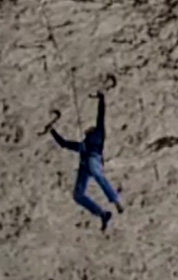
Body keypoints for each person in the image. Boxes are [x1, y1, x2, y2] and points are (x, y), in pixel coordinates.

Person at [50, 91, 124, 231]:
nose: (86, 130)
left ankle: (116, 200)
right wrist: (52, 131)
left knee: (98, 175)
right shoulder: (82, 145)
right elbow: (64, 144)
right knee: (77, 195)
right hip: (85, 166)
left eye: (88, 129)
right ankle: (102, 214)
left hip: (93, 159)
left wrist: (101, 99)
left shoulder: (99, 134)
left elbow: (101, 116)